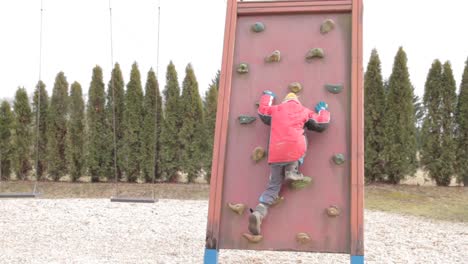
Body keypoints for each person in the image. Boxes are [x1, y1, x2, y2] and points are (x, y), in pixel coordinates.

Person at [248, 90, 331, 236]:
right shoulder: (304, 110)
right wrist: (323, 110)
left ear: (285, 100)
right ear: (297, 101)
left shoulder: (276, 109)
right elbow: (321, 124)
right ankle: (292, 170)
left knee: (273, 186)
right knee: (302, 138)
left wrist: (268, 96)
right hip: (294, 151)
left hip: (276, 153)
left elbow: (262, 111)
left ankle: (260, 211)